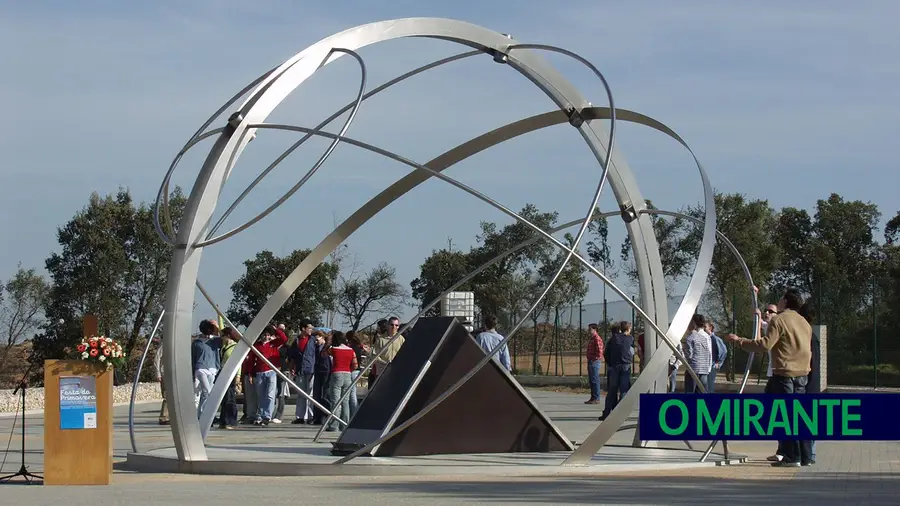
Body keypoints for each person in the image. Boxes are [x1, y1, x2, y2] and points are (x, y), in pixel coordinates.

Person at [727, 288, 813, 467]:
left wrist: (739, 341)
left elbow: (765, 345)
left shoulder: (779, 320)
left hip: (784, 374)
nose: (779, 300)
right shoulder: (804, 322)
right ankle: (805, 456)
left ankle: (791, 456)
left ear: (786, 302)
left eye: (781, 298)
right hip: (802, 374)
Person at [247, 324, 288, 426]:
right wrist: (250, 374)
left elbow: (284, 339)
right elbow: (251, 361)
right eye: (264, 335)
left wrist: (276, 330)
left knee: (270, 395)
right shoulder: (256, 346)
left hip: (271, 372)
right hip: (259, 373)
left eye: (268, 335)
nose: (266, 337)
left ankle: (267, 416)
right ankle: (260, 416)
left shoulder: (274, 343)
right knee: (261, 396)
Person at [600, 321, 634, 421]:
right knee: (623, 390)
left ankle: (606, 413)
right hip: (626, 366)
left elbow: (606, 353)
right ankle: (619, 413)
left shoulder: (614, 338)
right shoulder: (630, 339)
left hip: (614, 366)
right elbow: (631, 352)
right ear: (628, 329)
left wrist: (610, 363)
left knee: (612, 390)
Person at [325, 332, 358, 432]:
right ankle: (344, 424)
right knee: (345, 401)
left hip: (336, 374)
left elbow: (324, 353)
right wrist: (349, 370)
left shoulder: (334, 349)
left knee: (335, 401)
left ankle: (334, 425)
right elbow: (355, 365)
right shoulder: (351, 351)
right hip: (347, 374)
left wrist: (328, 343)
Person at [191, 320, 223, 418]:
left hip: (213, 369)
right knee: (207, 392)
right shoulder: (197, 343)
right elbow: (193, 358)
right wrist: (192, 374)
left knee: (206, 394)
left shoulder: (215, 341)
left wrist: (216, 325)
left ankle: (202, 415)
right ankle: (204, 415)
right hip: (200, 369)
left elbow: (224, 336)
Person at [290, 319, 316, 424]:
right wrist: (292, 368)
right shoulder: (296, 341)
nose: (311, 330)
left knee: (310, 394)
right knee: (301, 394)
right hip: (300, 370)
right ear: (303, 328)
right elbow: (292, 356)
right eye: (309, 328)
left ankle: (311, 416)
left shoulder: (313, 340)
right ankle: (300, 416)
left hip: (311, 370)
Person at [218, 327, 240, 429]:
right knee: (224, 398)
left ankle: (231, 421)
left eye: (222, 336)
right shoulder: (223, 347)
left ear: (228, 336)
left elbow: (238, 363)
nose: (221, 338)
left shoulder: (235, 347)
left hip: (231, 374)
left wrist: (238, 376)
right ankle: (223, 420)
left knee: (230, 398)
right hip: (223, 373)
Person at [683, 314, 712, 393]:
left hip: (693, 369)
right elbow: (709, 353)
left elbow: (690, 355)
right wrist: (708, 367)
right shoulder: (706, 337)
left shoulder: (690, 338)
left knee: (690, 392)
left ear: (693, 323)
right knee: (702, 393)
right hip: (704, 369)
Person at [346, 331, 368, 418]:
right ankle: (354, 413)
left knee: (351, 394)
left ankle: (354, 413)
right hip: (357, 370)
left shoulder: (351, 347)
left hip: (352, 370)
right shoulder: (358, 347)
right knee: (353, 392)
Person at [584, 323, 604, 405]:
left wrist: (595, 359)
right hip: (591, 361)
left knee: (595, 380)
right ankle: (593, 397)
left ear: (595, 329)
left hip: (594, 362)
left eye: (590, 329)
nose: (589, 331)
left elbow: (600, 352)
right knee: (592, 380)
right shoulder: (592, 338)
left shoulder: (597, 338)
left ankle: (596, 398)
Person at [706, 322, 728, 393]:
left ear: (710, 328)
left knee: (709, 385)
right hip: (706, 365)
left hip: (712, 366)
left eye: (705, 327)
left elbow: (723, 351)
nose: (703, 329)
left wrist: (718, 363)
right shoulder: (706, 338)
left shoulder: (715, 339)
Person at [152, 337, 168, 425]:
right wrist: (158, 373)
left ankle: (169, 416)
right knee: (167, 395)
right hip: (165, 372)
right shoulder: (164, 344)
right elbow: (157, 359)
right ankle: (164, 417)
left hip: (174, 373)